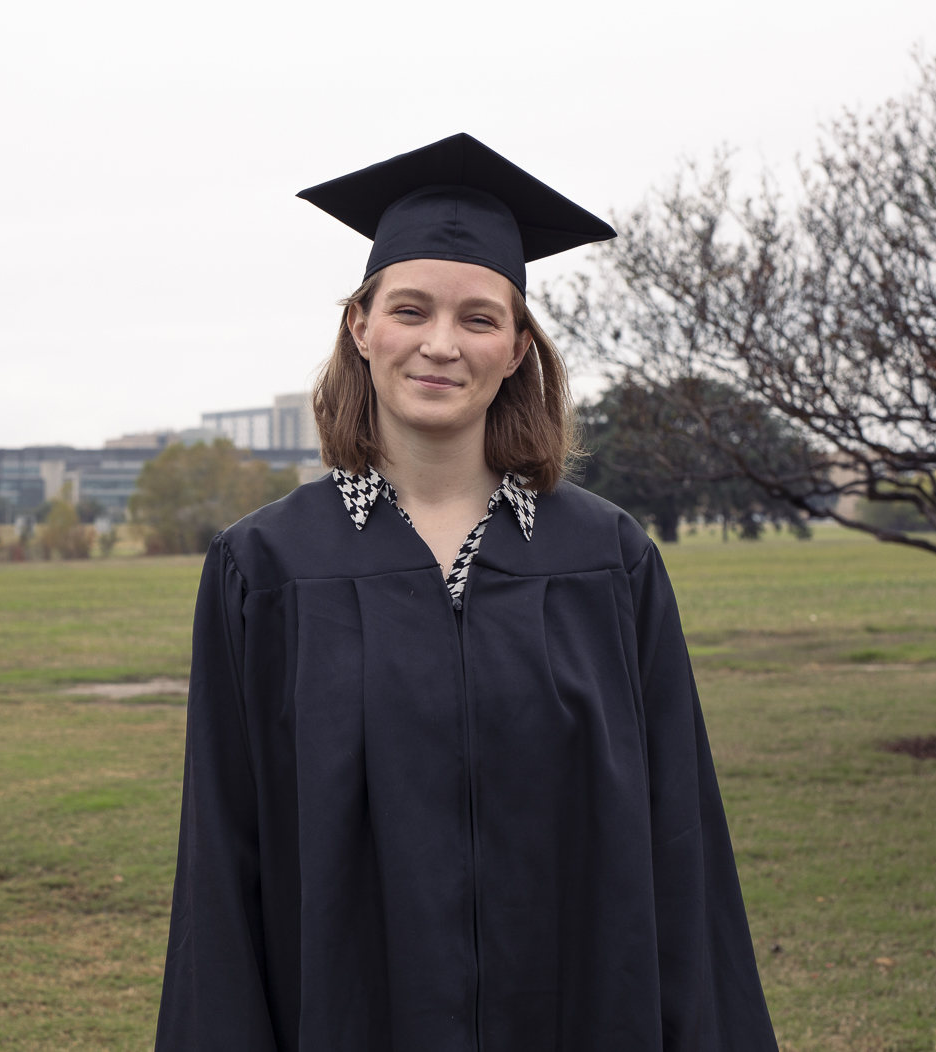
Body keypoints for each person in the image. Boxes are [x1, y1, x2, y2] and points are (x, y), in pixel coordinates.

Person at [155, 133, 778, 1051]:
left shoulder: (609, 562)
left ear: (519, 346)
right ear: (361, 327)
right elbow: (222, 859)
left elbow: (679, 843)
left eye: (480, 318)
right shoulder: (268, 570)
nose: (440, 344)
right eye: (410, 309)